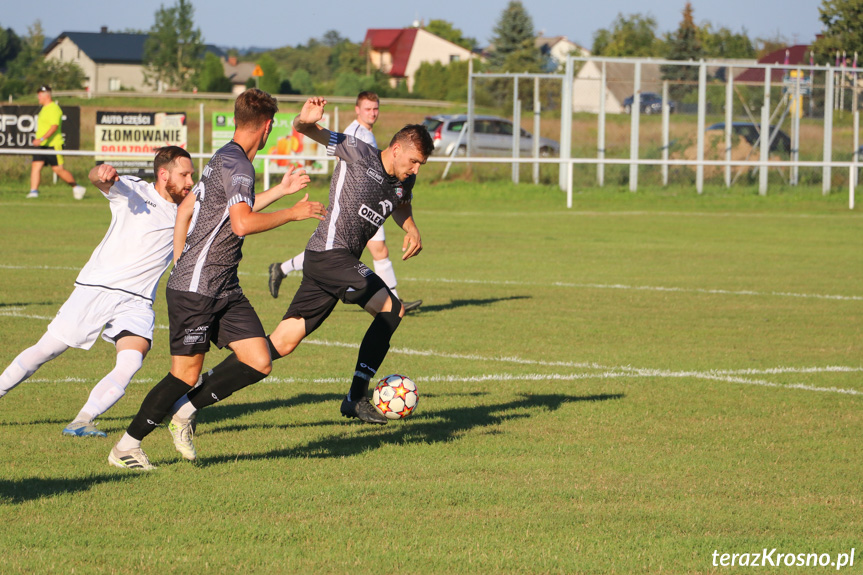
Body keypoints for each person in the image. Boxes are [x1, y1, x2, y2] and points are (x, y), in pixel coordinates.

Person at [164, 96, 433, 450]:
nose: (415, 169)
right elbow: (311, 131)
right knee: (391, 309)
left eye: (421, 165)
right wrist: (306, 122)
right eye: (413, 161)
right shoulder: (357, 151)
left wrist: (410, 227)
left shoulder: (403, 180)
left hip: (335, 263)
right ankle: (355, 396)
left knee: (280, 344)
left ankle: (187, 405)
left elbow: (400, 203)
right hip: (329, 254)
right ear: (396, 149)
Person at [108, 89, 326, 471]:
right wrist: (291, 213)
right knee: (184, 374)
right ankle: (126, 446)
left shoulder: (224, 155)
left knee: (258, 360)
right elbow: (241, 222)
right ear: (268, 126)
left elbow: (197, 210)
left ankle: (185, 412)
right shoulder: (239, 165)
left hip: (222, 285)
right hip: (198, 289)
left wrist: (279, 191)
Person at [0, 146, 195, 436]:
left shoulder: (187, 210)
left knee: (131, 360)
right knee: (44, 351)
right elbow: (100, 180)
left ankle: (82, 420)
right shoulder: (134, 191)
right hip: (97, 289)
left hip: (137, 301)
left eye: (191, 174)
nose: (190, 180)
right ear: (163, 174)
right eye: (184, 174)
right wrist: (99, 172)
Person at [267, 91, 422, 313]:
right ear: (357, 110)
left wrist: (411, 226)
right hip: (355, 205)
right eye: (368, 109)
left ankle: (282, 268)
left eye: (376, 108)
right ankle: (393, 300)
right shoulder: (356, 135)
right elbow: (340, 155)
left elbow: (398, 192)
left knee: (288, 336)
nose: (373, 113)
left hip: (375, 207)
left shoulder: (373, 136)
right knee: (348, 250)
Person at [27, 84, 87, 200]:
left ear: (46, 95)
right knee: (36, 166)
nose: (38, 98)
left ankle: (76, 187)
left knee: (58, 169)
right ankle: (34, 191)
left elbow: (54, 127)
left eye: (40, 95)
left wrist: (42, 139)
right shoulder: (44, 108)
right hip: (42, 146)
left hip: (53, 144)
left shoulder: (54, 108)